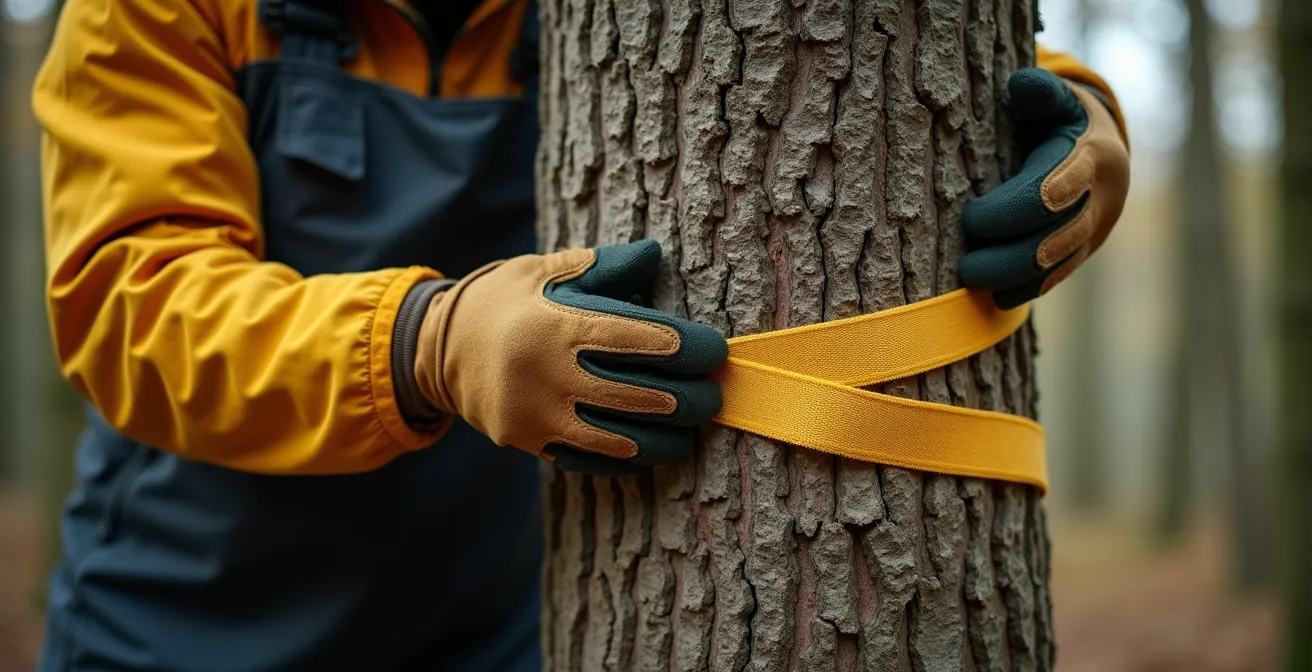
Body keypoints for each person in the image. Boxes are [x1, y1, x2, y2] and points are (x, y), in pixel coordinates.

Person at [32, 0, 1130, 669]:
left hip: (502, 625)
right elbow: (131, 297)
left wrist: (1073, 105)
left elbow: (880, 40)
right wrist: (425, 340)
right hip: (182, 623)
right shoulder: (155, 6)